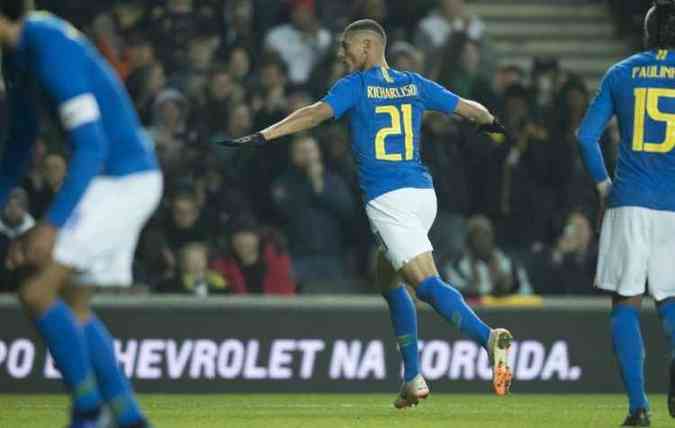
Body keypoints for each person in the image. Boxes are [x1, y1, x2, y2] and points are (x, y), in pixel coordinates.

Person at [214, 19, 513, 407]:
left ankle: (488, 340)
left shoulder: (355, 86)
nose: (342, 54)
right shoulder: (415, 83)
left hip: (388, 200)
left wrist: (264, 134)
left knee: (425, 283)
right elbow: (470, 110)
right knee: (388, 281)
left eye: (347, 47)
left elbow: (314, 113)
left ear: (369, 46)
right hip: (423, 195)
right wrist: (494, 124)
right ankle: (413, 377)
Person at [0, 3, 161, 428]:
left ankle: (87, 410)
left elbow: (92, 145)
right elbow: (18, 145)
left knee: (36, 291)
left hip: (120, 180)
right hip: (115, 180)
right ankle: (128, 416)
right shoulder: (19, 55)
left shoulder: (48, 45)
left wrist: (51, 225)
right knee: (75, 307)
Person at [576, 1, 675, 424]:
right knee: (671, 301)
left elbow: (585, 137)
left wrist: (603, 186)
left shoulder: (622, 72)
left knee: (625, 304)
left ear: (648, 31)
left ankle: (638, 407)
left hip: (631, 198)